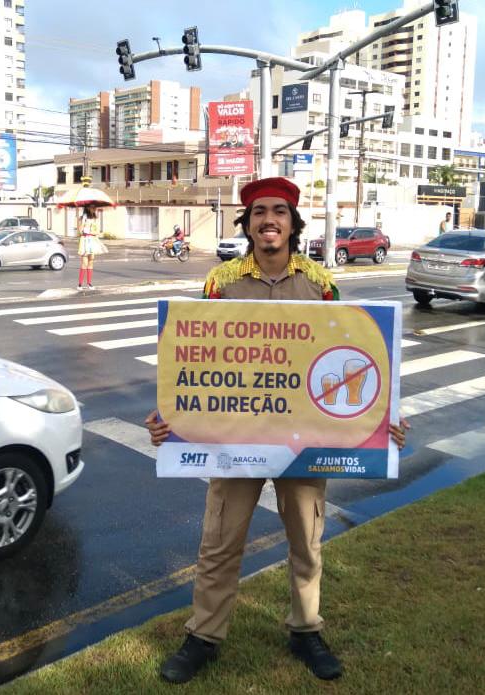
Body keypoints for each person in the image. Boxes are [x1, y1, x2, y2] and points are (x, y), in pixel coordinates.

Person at [145, 177, 410, 685]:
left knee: (307, 543)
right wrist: (169, 421)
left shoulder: (321, 284)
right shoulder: (221, 284)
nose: (270, 220)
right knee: (220, 543)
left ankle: (306, 629)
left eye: (280, 212)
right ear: (246, 224)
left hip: (305, 441)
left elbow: (351, 358)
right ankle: (203, 636)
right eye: (260, 212)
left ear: (293, 222)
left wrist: (383, 420)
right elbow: (195, 364)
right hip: (236, 441)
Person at [76, 205, 106, 290]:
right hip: (85, 241)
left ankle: (89, 283)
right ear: (88, 208)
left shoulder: (95, 219)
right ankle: (80, 284)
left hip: (92, 241)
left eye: (94, 208)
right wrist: (83, 223)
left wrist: (91, 231)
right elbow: (80, 231)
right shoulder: (82, 218)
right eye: (93, 208)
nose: (94, 209)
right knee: (84, 263)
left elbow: (97, 231)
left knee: (91, 262)